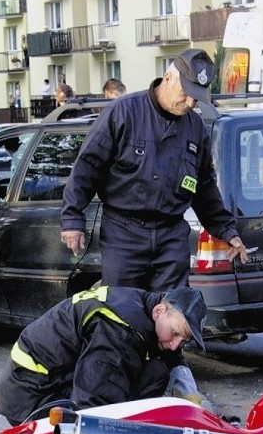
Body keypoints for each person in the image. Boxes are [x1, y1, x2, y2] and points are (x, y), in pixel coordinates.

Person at [61, 48, 248, 290]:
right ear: (168, 78)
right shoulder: (123, 112)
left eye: (197, 97)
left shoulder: (195, 128)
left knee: (170, 314)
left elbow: (204, 187)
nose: (191, 103)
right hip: (124, 234)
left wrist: (226, 230)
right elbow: (88, 167)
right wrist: (72, 219)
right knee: (123, 313)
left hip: (171, 237)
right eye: (186, 93)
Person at [0, 285, 206, 427]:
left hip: (34, 385)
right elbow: (94, 402)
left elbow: (170, 353)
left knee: (158, 370)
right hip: (31, 402)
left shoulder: (137, 304)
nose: (176, 344)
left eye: (184, 341)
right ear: (159, 311)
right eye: (176, 333)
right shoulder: (121, 331)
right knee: (151, 376)